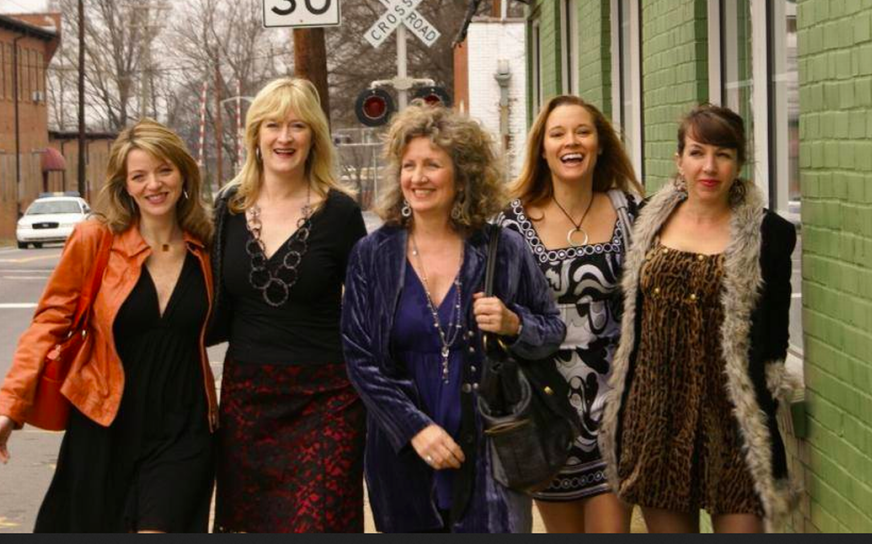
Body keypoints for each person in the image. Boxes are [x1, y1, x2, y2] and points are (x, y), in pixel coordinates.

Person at [0, 119, 218, 533]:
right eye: (139, 176)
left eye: (164, 170)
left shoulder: (208, 244)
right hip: (105, 421)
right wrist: (7, 409)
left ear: (184, 173)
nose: (154, 185)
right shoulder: (96, 239)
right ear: (125, 185)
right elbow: (48, 324)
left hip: (185, 425)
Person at [341, 104, 566, 533]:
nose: (417, 177)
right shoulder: (373, 256)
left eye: (432, 164)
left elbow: (552, 330)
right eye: (408, 165)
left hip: (490, 452)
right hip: (403, 457)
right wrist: (414, 429)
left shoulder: (504, 249)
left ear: (462, 175)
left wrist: (514, 324)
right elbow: (359, 358)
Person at [600, 105, 798, 533]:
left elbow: (775, 335)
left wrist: (767, 397)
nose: (709, 167)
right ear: (679, 160)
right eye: (697, 152)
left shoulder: (771, 235)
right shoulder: (645, 221)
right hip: (657, 420)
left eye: (724, 154)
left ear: (739, 163)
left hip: (734, 425)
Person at [208, 77, 367, 533]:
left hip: (328, 398)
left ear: (313, 136)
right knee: (251, 524)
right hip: (248, 398)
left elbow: (366, 310)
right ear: (254, 135)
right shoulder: (228, 208)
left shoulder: (340, 213)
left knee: (321, 522)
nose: (284, 137)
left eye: (297, 126)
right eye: (273, 125)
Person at [500, 95, 643, 533]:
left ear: (599, 144)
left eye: (583, 131)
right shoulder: (512, 224)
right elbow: (507, 318)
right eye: (557, 133)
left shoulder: (630, 212)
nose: (571, 141)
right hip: (548, 410)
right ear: (542, 149)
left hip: (617, 407)